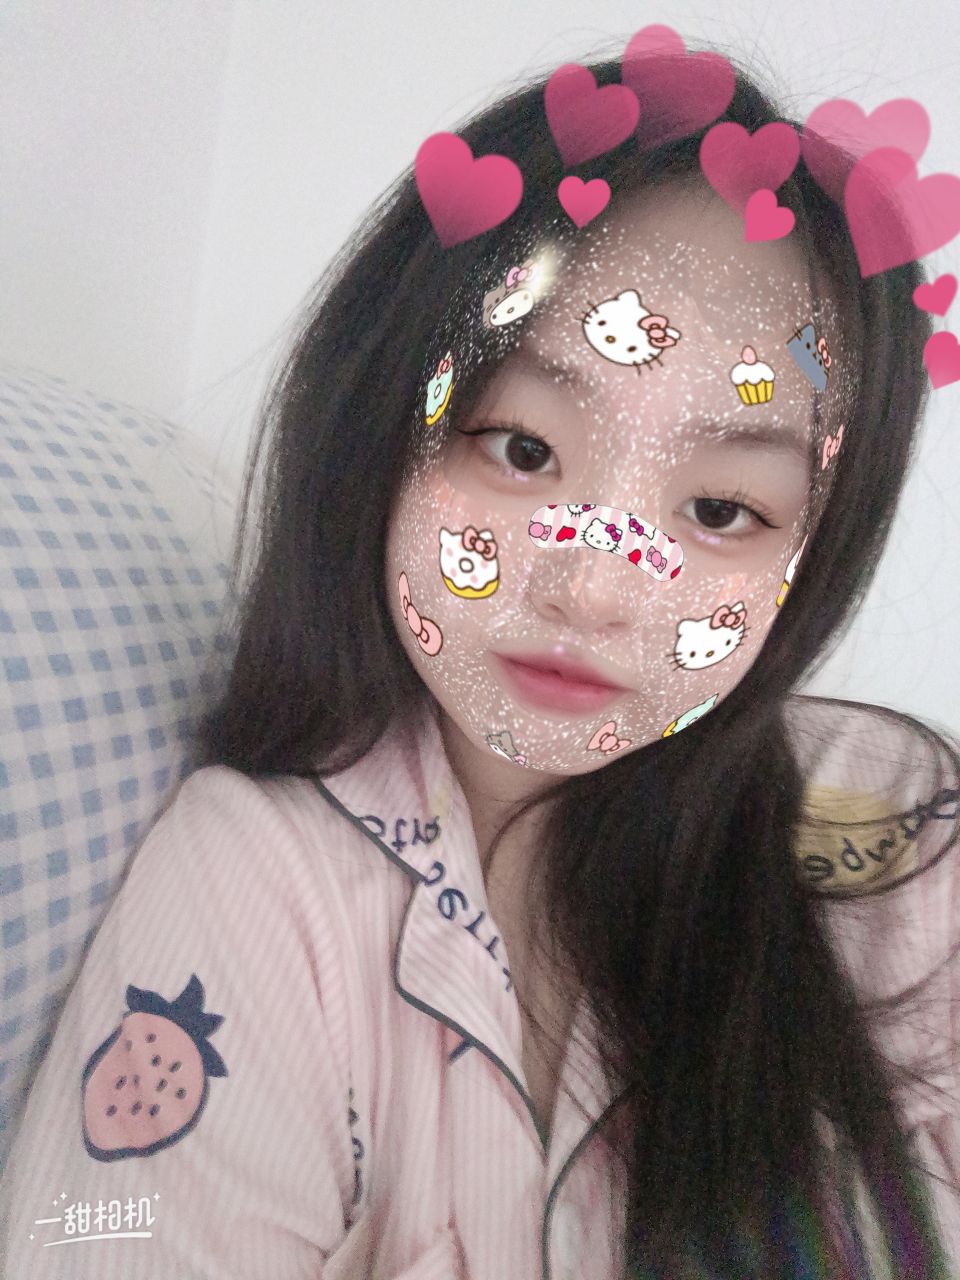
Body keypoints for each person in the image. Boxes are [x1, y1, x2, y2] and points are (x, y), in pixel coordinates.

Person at [1, 33, 958, 1280]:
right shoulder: (257, 883)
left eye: (722, 509)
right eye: (520, 447)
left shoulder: (894, 836)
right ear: (381, 428)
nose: (595, 587)